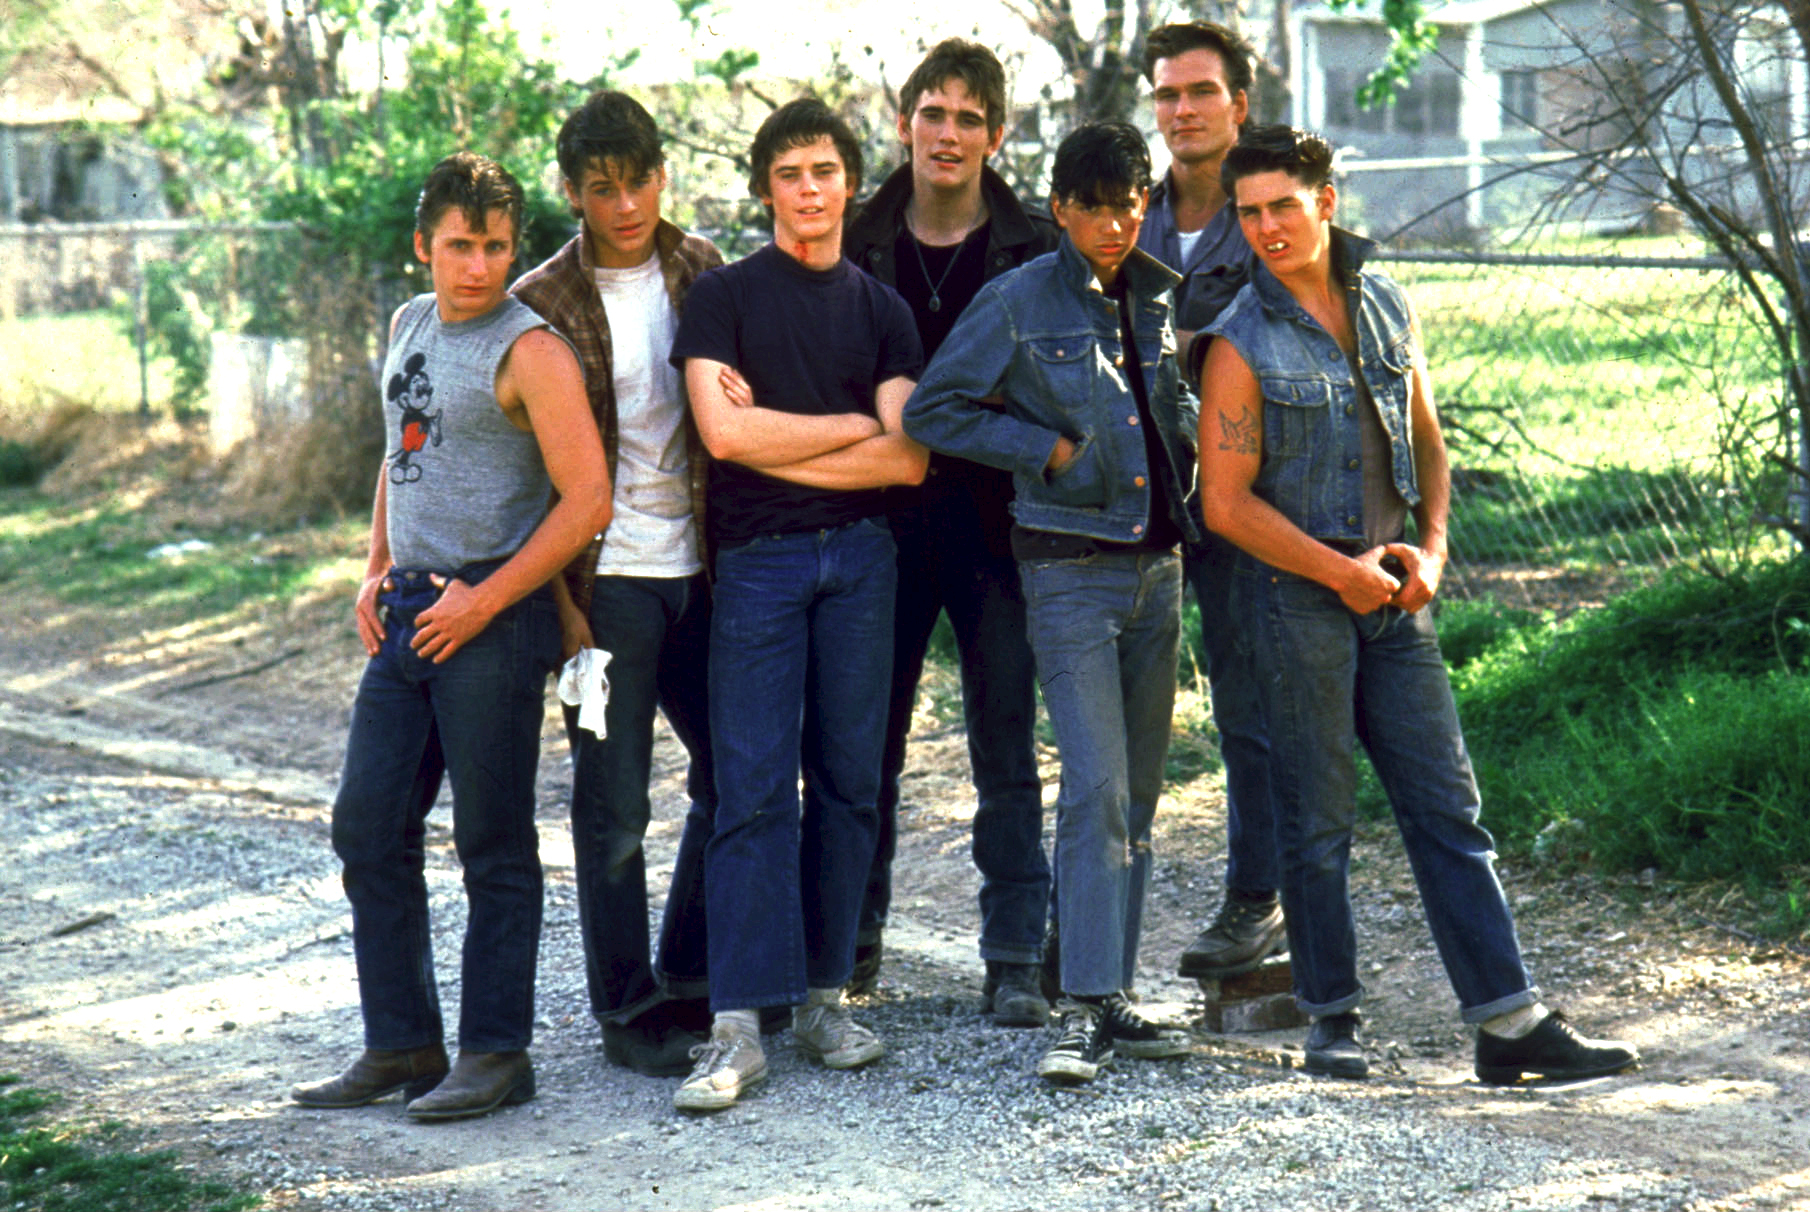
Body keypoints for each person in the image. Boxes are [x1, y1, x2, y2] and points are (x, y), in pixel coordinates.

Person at [1197, 124, 1640, 1083]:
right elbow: (1225, 505)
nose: (1267, 227)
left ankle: (1510, 1025)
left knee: (1448, 807)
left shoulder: (1388, 301)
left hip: (1399, 599)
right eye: (1249, 212)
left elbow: (1430, 442)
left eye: (1282, 205)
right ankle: (1331, 1019)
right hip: (1299, 604)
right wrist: (1333, 570)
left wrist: (1434, 549)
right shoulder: (1239, 340)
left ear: (1325, 200)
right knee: (1315, 820)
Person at [292, 152, 609, 1119]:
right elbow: (402, 446)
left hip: (493, 622)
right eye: (461, 245)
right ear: (424, 244)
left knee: (492, 844)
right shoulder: (410, 323)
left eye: (498, 247)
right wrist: (377, 559)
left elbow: (588, 500)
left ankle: (496, 1055)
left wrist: (484, 599)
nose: (479, 267)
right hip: (408, 616)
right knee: (367, 826)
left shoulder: (532, 351)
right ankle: (403, 1045)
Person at [905, 122, 1198, 1086]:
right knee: (1097, 788)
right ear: (1062, 210)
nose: (1115, 224)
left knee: (1142, 800)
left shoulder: (1162, 297)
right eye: (1095, 207)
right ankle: (1077, 1008)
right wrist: (1048, 450)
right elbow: (933, 409)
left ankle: (1106, 993)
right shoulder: (1017, 300)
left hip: (1160, 571)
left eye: (1131, 204)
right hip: (1069, 570)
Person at [667, 97, 928, 1111]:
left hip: (863, 561)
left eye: (824, 170)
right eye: (789, 173)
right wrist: (850, 426)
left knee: (852, 782)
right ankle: (737, 1027)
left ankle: (826, 997)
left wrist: (790, 431)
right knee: (752, 788)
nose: (808, 189)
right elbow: (723, 441)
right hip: (759, 565)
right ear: (764, 187)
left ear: (850, 184)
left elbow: (908, 461)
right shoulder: (722, 299)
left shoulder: (882, 310)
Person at [840, 38, 1057, 1025]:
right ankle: (851, 941)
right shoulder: (852, 235)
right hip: (877, 523)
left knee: (1004, 741)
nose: (949, 133)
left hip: (997, 524)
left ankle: (1014, 953)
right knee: (859, 742)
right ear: (904, 125)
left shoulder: (1036, 244)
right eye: (934, 113)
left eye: (970, 118)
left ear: (996, 136)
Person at [509, 90, 724, 1077]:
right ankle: (625, 1006)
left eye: (638, 181)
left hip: (704, 573)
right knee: (612, 803)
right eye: (602, 188)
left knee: (738, 774)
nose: (625, 203)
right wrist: (559, 609)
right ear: (573, 192)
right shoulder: (540, 301)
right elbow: (524, 477)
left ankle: (686, 971)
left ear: (660, 176)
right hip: (605, 589)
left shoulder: (702, 270)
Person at [1136, 21, 1289, 983]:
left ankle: (1259, 899)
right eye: (1166, 95)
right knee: (1127, 713)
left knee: (1252, 703)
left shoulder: (1274, 209)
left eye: (1200, 92)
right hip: (1141, 498)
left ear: (1239, 103)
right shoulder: (1131, 213)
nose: (1182, 111)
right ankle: (1087, 921)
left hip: (1250, 491)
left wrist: (1181, 346)